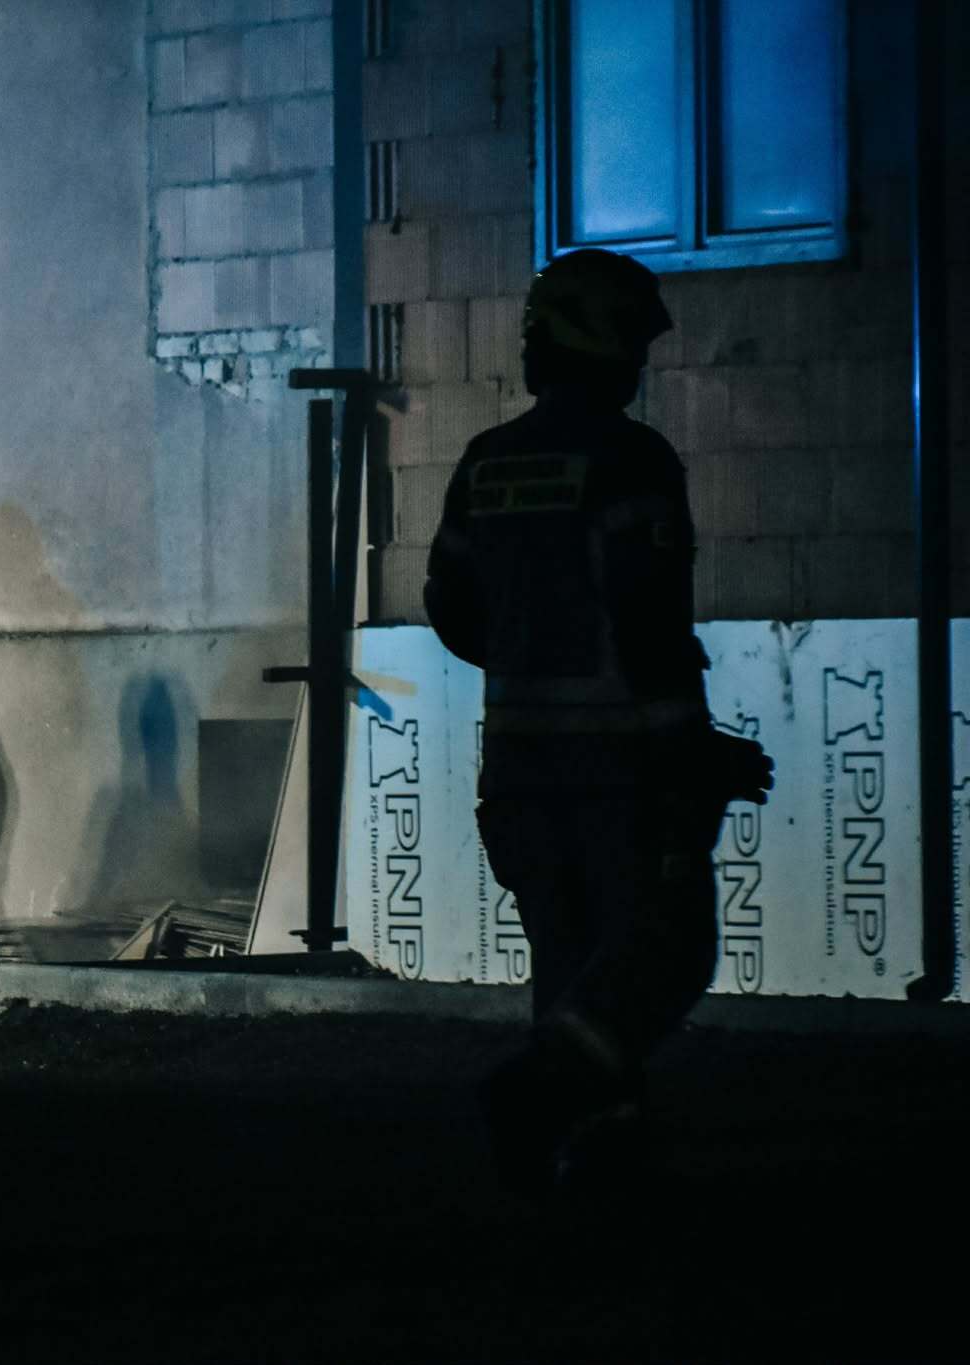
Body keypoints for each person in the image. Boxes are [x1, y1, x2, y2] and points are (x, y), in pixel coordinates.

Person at [422, 248, 773, 1194]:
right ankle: (539, 1099)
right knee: (665, 951)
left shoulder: (485, 464)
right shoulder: (631, 461)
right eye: (633, 342)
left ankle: (595, 1150)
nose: (641, 364)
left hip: (519, 777)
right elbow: (652, 628)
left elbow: (452, 608)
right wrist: (693, 753)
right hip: (625, 776)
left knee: (571, 965)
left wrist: (532, 649)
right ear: (600, 342)